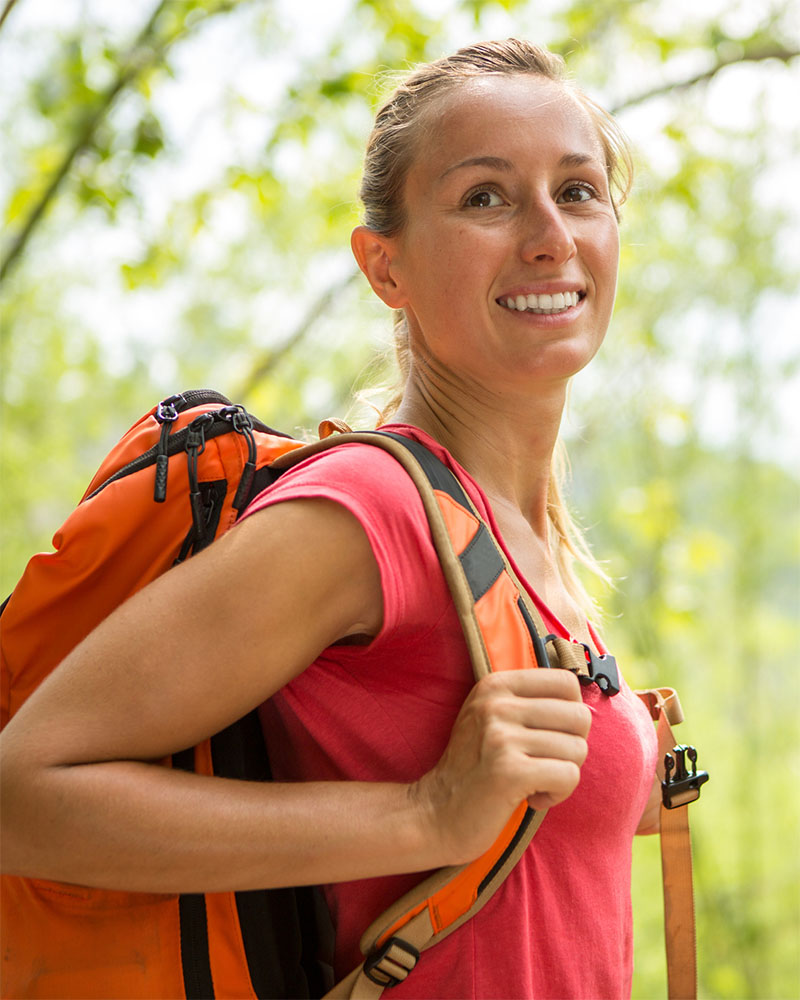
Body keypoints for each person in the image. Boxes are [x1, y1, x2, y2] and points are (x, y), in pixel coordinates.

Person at [1, 38, 661, 999]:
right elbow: (21, 793)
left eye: (578, 190)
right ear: (383, 266)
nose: (549, 234)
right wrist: (428, 814)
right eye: (485, 196)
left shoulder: (525, 545)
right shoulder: (370, 509)